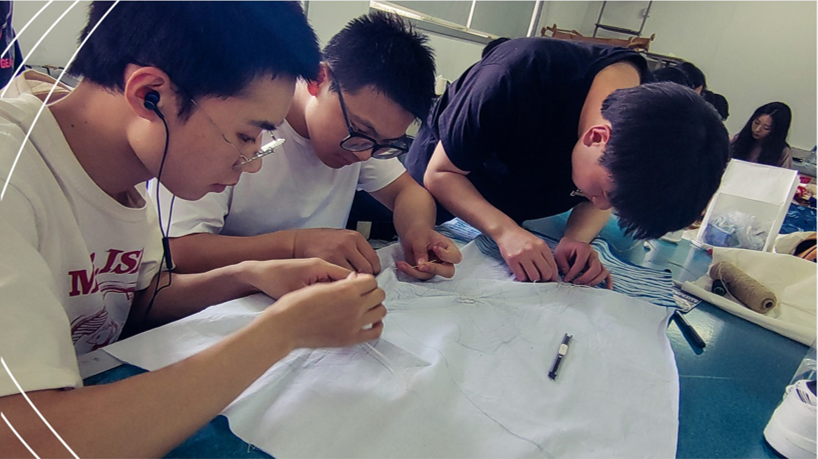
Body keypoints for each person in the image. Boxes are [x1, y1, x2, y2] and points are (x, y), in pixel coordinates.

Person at [0, 2, 387, 457]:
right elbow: (25, 439)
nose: (253, 163)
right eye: (247, 136)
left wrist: (250, 275)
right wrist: (282, 332)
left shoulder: (126, 178)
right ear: (150, 94)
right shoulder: (13, 178)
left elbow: (135, 299)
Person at [158, 12, 462, 281]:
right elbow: (179, 250)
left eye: (384, 144)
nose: (363, 154)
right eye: (360, 130)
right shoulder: (243, 123)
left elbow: (408, 192)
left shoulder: (361, 140)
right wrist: (295, 246)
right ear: (319, 80)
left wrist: (417, 234)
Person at [405, 37, 729, 285]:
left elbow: (603, 194)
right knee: (415, 255)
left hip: (516, 194)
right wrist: (504, 231)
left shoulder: (645, 123)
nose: (601, 206)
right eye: (605, 195)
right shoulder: (517, 74)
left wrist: (576, 238)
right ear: (596, 137)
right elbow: (441, 173)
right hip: (448, 179)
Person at [730, 101, 793, 168]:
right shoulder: (736, 140)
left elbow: (784, 173)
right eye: (756, 123)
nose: (757, 129)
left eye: (766, 128)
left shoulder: (783, 152)